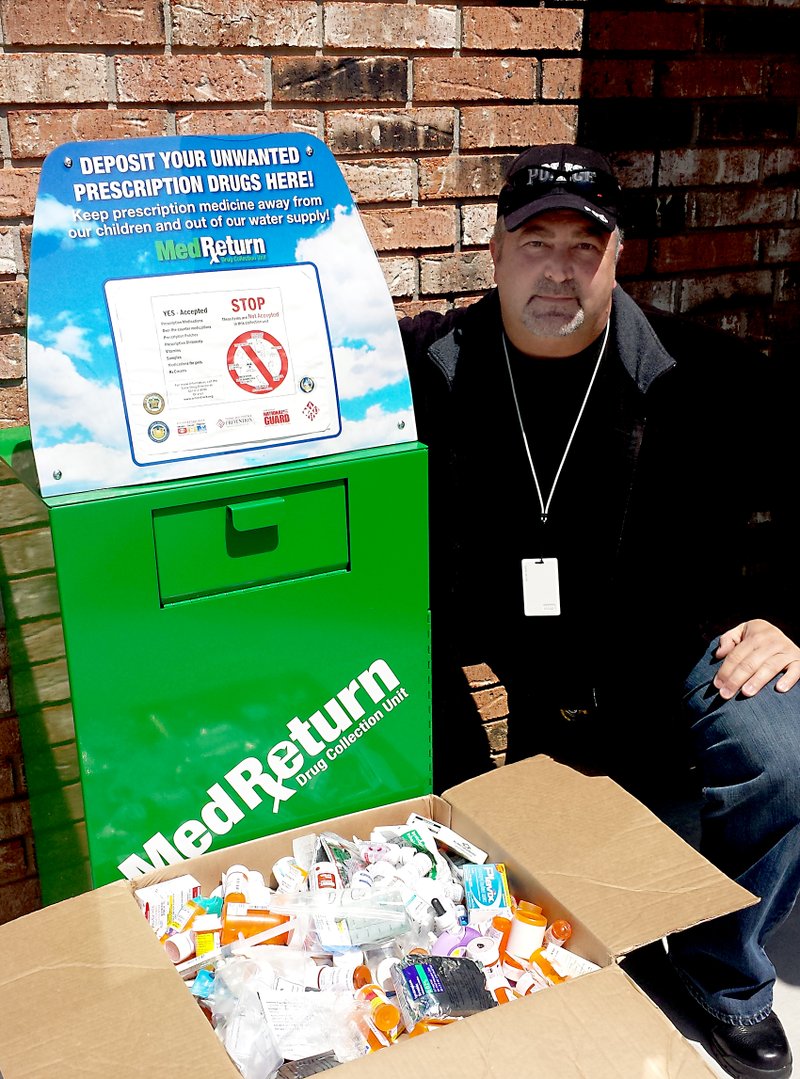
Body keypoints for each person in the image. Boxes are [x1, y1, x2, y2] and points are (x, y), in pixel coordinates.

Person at [400, 143, 800, 1079]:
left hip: (665, 647)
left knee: (783, 751)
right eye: (535, 241)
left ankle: (720, 971)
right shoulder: (432, 369)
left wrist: (789, 614)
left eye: (585, 245)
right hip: (501, 651)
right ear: (494, 254)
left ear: (619, 257)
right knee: (396, 703)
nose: (559, 267)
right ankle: (470, 935)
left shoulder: (705, 375)